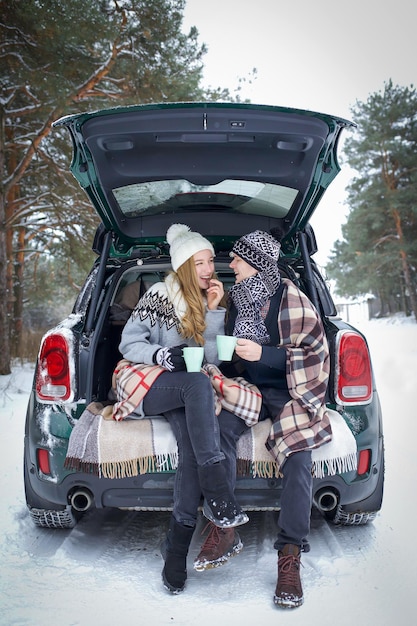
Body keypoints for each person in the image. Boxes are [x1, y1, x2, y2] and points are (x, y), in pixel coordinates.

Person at [114, 223, 249, 594]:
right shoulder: (159, 294)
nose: (209, 269)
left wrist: (216, 311)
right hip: (151, 381)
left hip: (190, 388)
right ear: (185, 264)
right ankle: (220, 494)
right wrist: (160, 354)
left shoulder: (210, 299)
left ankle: (175, 547)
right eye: (201, 262)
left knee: (192, 444)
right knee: (195, 383)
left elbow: (211, 360)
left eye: (210, 262)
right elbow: (129, 342)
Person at [210, 228, 332, 609]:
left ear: (258, 263)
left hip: (288, 391)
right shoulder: (237, 299)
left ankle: (290, 554)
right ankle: (225, 524)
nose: (230, 264)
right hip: (248, 385)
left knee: (299, 455)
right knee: (219, 431)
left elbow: (315, 353)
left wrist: (263, 355)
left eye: (237, 259)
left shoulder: (292, 299)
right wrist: (216, 314)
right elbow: (227, 356)